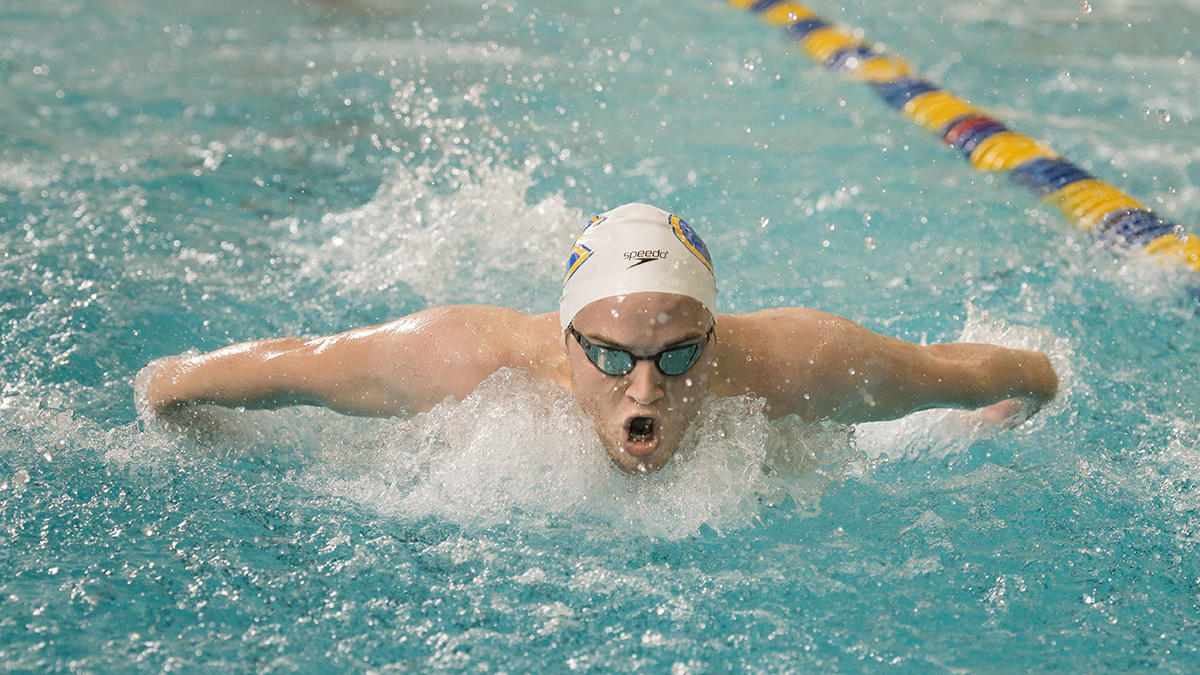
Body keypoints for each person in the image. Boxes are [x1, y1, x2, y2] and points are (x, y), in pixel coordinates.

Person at [141, 202, 1059, 474]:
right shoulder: (466, 358)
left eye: (679, 355)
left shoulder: (796, 363)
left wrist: (999, 415)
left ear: (713, 330)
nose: (646, 391)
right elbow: (278, 368)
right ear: (566, 337)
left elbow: (999, 374)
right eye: (613, 357)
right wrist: (172, 396)